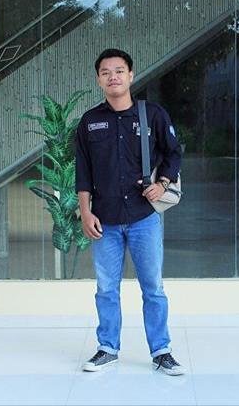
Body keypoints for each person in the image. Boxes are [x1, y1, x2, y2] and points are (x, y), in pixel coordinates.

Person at [74, 48, 185, 375]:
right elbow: (83, 170)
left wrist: (162, 184)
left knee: (153, 288)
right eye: (106, 72)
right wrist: (85, 212)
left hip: (143, 218)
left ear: (131, 75)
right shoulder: (89, 122)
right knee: (106, 289)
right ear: (99, 80)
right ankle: (107, 348)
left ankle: (161, 351)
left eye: (119, 71)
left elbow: (174, 153)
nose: (113, 77)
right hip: (104, 220)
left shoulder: (153, 115)